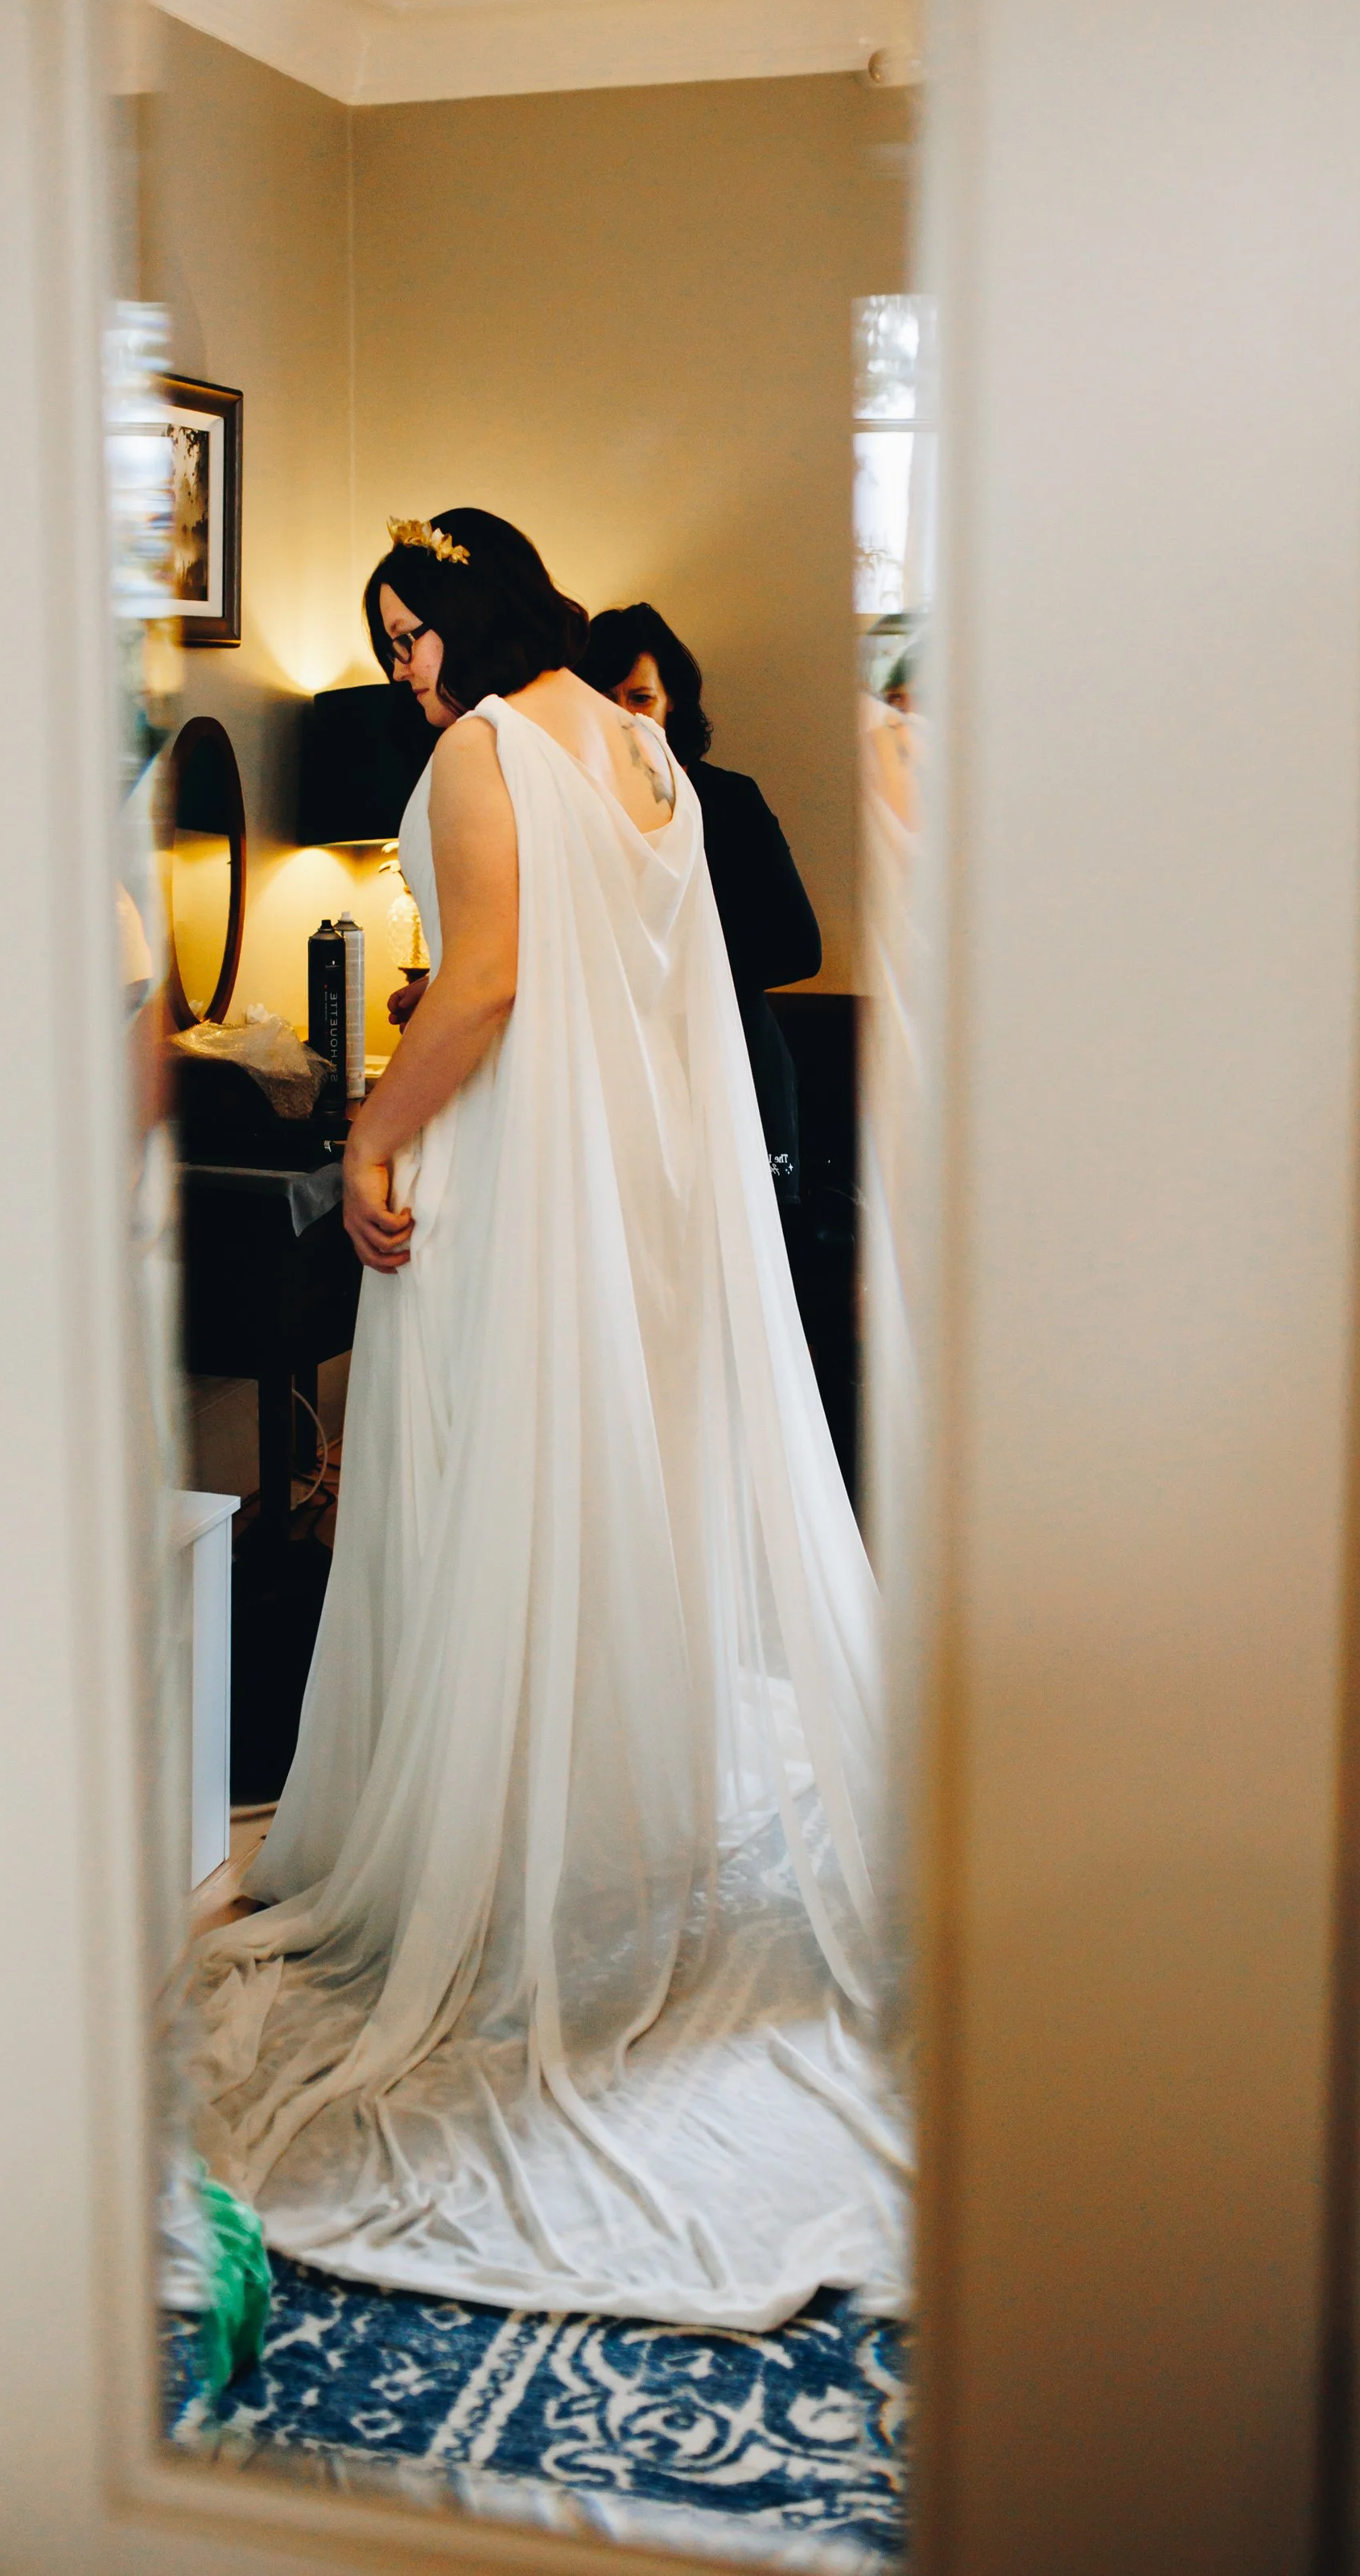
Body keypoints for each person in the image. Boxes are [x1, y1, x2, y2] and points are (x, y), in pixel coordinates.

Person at [188, 508, 901, 2330]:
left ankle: (500, 1849)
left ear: (475, 616)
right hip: (649, 1186)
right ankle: (594, 1824)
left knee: (492, 1484)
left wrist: (365, 1130)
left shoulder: (494, 746)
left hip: (522, 1182)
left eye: (412, 628)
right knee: (603, 1488)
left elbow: (489, 984)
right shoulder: (643, 739)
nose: (403, 664)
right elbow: (653, 990)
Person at [579, 602, 820, 1198]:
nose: (622, 720)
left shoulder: (729, 801)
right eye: (602, 701)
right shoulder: (574, 812)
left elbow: (798, 946)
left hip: (733, 1069)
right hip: (620, 1083)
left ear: (673, 702)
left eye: (639, 699)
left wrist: (660, 965)